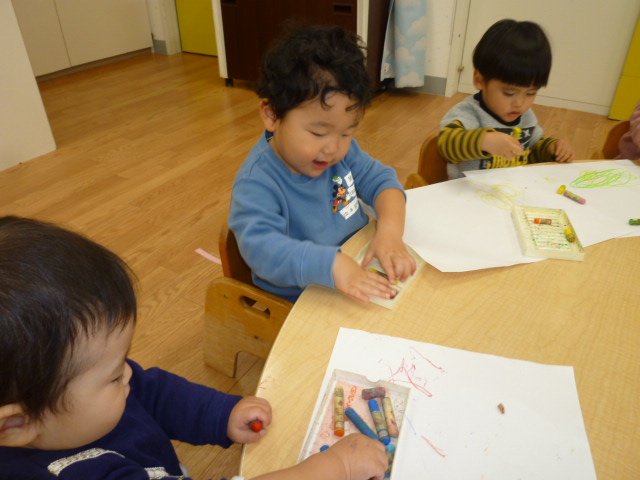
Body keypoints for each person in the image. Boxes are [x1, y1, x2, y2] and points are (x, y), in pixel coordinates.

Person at [0, 216, 388, 480]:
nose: (130, 374)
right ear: (17, 424)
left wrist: (221, 413)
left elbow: (154, 393)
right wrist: (335, 467)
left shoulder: (75, 405)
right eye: (115, 375)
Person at [229, 25, 416, 304]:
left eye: (346, 133)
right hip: (301, 297)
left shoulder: (341, 152)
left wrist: (389, 232)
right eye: (318, 133)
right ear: (272, 115)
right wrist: (332, 265)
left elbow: (382, 181)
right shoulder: (257, 183)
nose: (333, 149)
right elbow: (263, 251)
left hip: (354, 266)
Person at [438, 19, 576, 179]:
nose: (520, 103)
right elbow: (446, 145)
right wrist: (484, 141)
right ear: (479, 80)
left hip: (511, 189)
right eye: (509, 93)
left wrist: (552, 149)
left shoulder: (526, 117)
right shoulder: (469, 113)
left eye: (530, 93)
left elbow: (531, 151)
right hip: (466, 191)